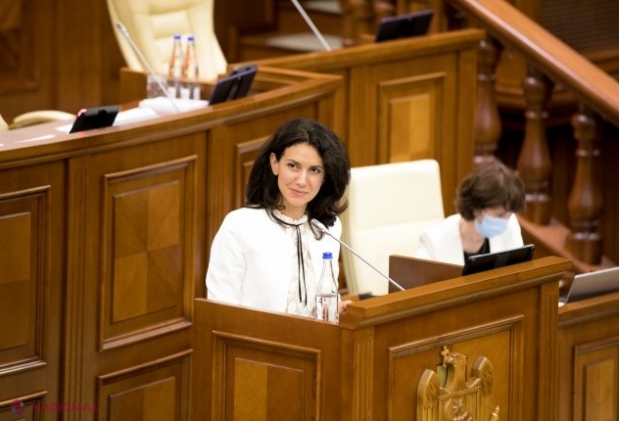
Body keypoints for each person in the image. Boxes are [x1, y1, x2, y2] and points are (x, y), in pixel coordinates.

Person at [205, 118, 351, 318]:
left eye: (314, 170)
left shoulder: (328, 227)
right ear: (275, 164)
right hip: (255, 337)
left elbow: (325, 298)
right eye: (293, 166)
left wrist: (336, 309)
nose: (302, 181)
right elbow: (219, 313)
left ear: (325, 176)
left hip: (315, 338)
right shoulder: (239, 226)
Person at [414, 159, 526, 265]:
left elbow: (518, 273)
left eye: (508, 214)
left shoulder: (510, 226)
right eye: (499, 215)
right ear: (476, 206)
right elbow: (418, 278)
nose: (504, 222)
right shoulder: (432, 241)